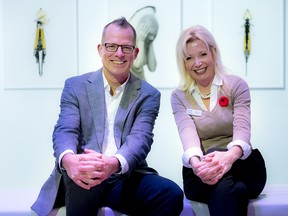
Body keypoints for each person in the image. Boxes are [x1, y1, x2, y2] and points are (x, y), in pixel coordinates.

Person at [31, 17, 183, 216]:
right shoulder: (76, 86)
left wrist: (113, 164)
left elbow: (141, 138)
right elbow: (66, 129)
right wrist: (69, 159)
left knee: (170, 194)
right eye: (111, 46)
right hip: (84, 173)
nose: (118, 54)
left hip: (123, 175)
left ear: (135, 53)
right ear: (100, 49)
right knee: (83, 178)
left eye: (126, 48)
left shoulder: (148, 94)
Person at [170, 25, 266, 216]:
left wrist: (228, 158)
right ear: (183, 63)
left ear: (213, 53)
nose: (197, 63)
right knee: (234, 190)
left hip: (242, 165)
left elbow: (242, 129)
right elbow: (187, 134)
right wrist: (198, 164)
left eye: (202, 54)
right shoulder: (179, 96)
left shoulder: (236, 85)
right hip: (201, 172)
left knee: (226, 180)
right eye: (189, 58)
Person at [129, 6, 158, 80]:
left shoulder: (147, 42)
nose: (152, 37)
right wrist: (141, 41)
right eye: (150, 34)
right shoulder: (131, 44)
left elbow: (152, 68)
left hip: (141, 83)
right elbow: (138, 65)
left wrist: (150, 43)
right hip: (131, 85)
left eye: (154, 35)